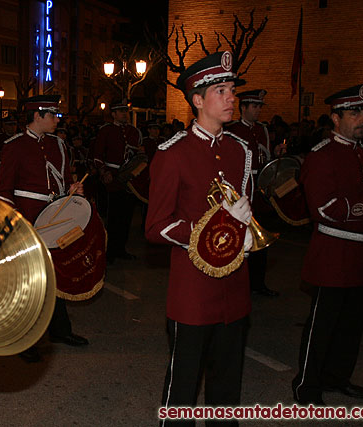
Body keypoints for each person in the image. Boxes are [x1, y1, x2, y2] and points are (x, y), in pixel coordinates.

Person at [145, 51, 253, 425]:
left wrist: (246, 232)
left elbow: (244, 205)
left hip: (235, 287)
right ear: (197, 100)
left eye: (231, 90)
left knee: (227, 384)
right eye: (221, 90)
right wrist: (208, 233)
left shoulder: (240, 151)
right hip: (192, 288)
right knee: (184, 385)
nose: (230, 98)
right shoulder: (173, 154)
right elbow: (156, 225)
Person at [292, 83, 363, 405]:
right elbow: (324, 207)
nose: (362, 119)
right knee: (323, 324)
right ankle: (306, 386)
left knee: (352, 323)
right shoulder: (322, 155)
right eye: (354, 113)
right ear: (336, 119)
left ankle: (338, 377)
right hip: (334, 252)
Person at [0, 95, 88, 362]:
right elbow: (4, 190)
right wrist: (14, 224)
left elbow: (66, 180)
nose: (57, 119)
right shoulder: (14, 146)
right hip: (27, 219)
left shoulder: (59, 144)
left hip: (55, 218)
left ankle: (60, 330)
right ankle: (25, 339)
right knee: (29, 282)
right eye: (52, 114)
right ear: (37, 115)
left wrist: (73, 190)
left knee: (55, 275)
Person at [227, 89, 279, 297]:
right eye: (254, 107)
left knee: (261, 242)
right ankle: (241, 285)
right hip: (243, 189)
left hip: (261, 190)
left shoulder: (263, 130)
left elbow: (264, 160)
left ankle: (258, 283)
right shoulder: (233, 129)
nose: (258, 111)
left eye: (260, 107)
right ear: (243, 108)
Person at [92, 102, 142, 263]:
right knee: (113, 217)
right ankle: (110, 251)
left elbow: (138, 154)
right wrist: (103, 171)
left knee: (127, 215)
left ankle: (121, 248)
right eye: (120, 112)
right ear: (113, 114)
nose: (124, 114)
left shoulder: (134, 131)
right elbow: (98, 155)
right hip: (113, 177)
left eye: (125, 112)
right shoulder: (106, 131)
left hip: (130, 179)